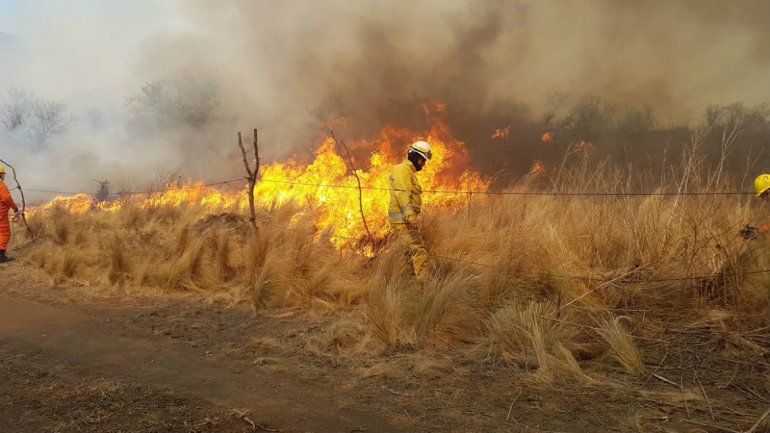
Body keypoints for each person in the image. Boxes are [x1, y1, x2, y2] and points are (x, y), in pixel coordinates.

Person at [388, 140, 432, 282]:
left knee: (407, 251)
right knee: (419, 250)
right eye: (422, 160)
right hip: (403, 221)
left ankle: (402, 282)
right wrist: (411, 217)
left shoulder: (408, 172)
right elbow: (402, 194)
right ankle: (424, 284)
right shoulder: (403, 170)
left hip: (403, 220)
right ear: (416, 157)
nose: (422, 164)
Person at [0, 166, 19, 263]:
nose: (3, 176)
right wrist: (15, 209)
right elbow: (7, 199)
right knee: (5, 233)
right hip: (1, 214)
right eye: (3, 174)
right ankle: (1, 256)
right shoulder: (1, 186)